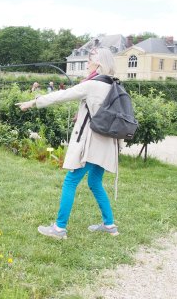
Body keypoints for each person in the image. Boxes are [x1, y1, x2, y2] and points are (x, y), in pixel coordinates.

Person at [16, 47, 120, 239]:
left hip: (91, 143)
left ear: (97, 64)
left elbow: (60, 96)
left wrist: (33, 102)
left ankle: (59, 228)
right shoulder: (114, 85)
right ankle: (110, 225)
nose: (87, 63)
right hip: (107, 143)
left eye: (89, 60)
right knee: (95, 181)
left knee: (70, 181)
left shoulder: (92, 85)